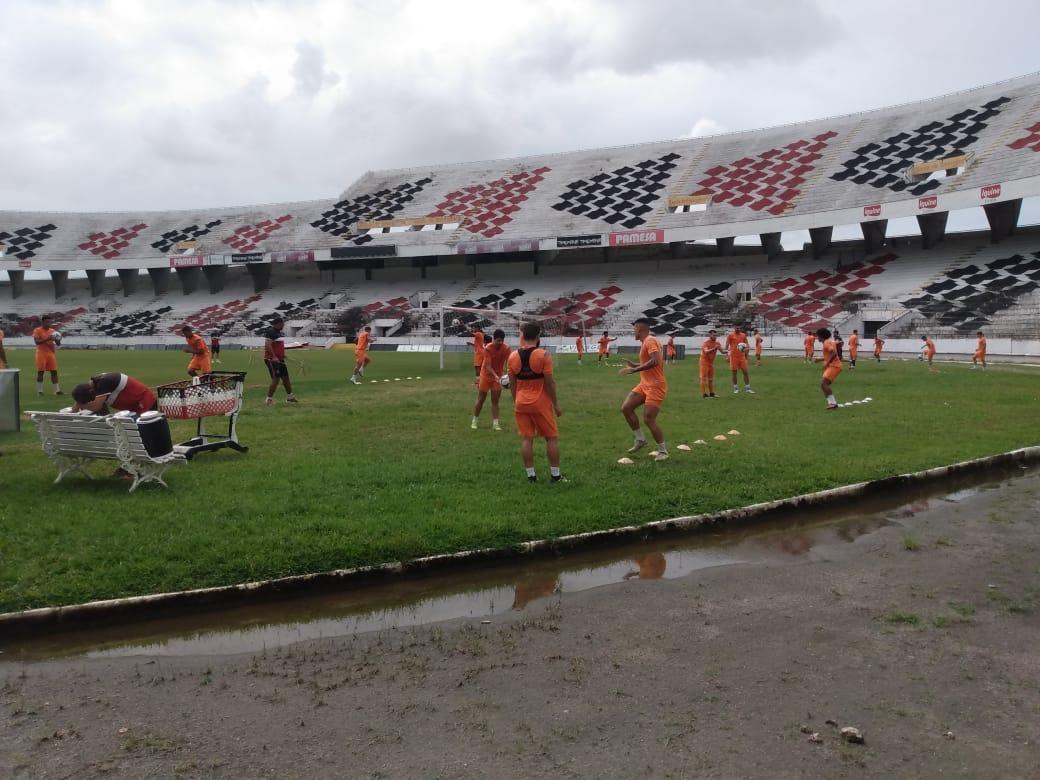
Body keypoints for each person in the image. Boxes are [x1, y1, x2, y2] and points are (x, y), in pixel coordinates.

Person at [507, 321, 563, 483]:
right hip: (541, 403)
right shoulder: (544, 355)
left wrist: (515, 400)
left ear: (522, 335)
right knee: (551, 438)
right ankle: (555, 476)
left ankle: (531, 476)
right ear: (538, 336)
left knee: (527, 439)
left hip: (521, 402)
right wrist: (556, 405)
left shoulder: (512, 356)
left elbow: (512, 384)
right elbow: (549, 383)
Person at [619, 318, 669, 462]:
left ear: (640, 329)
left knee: (648, 419)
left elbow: (655, 361)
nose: (633, 332)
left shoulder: (650, 340)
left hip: (656, 385)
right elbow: (649, 361)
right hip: (645, 384)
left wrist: (634, 369)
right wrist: (635, 364)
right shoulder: (645, 342)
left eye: (634, 329)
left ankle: (663, 450)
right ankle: (640, 439)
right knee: (626, 408)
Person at [472, 328, 509, 430]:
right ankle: (474, 420)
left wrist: (508, 373)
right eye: (498, 340)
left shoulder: (506, 348)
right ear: (493, 339)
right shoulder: (488, 348)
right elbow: (488, 366)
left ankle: (496, 423)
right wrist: (496, 376)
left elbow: (509, 362)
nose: (500, 343)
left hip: (498, 377)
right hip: (486, 375)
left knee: (495, 400)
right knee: (481, 399)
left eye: (502, 340)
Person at [71, 373, 157, 415]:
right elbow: (101, 409)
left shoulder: (104, 382)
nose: (91, 401)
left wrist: (80, 405)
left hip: (144, 401)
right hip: (134, 406)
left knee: (144, 431)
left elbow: (96, 406)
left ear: (91, 392)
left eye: (89, 400)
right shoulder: (94, 386)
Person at [264, 316, 303, 405]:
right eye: (282, 324)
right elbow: (268, 345)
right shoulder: (271, 332)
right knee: (276, 379)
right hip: (272, 360)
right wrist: (274, 357)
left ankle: (290, 397)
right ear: (279, 324)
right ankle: (268, 399)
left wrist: (283, 355)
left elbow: (277, 346)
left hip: (280, 359)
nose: (283, 325)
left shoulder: (279, 333)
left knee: (286, 378)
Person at [33, 315, 62, 395]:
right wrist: (48, 338)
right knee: (41, 372)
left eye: (50, 322)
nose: (49, 324)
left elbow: (58, 344)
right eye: (47, 322)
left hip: (51, 353)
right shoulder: (37, 330)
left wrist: (58, 340)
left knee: (54, 372)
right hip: (41, 353)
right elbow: (37, 342)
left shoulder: (53, 331)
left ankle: (57, 391)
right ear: (42, 322)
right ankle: (40, 391)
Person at [815, 327, 842, 410]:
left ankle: (833, 403)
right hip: (834, 366)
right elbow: (830, 354)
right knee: (824, 385)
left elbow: (833, 353)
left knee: (824, 384)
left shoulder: (826, 343)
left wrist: (827, 363)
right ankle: (832, 403)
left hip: (834, 366)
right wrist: (820, 359)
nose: (817, 337)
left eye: (817, 336)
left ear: (821, 336)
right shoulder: (829, 341)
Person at [725, 324, 754, 394]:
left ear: (740, 328)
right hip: (733, 357)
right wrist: (726, 355)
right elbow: (726, 345)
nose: (738, 329)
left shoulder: (743, 335)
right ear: (734, 328)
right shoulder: (730, 335)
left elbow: (747, 345)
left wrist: (747, 352)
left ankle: (748, 388)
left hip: (742, 357)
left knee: (745, 372)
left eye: (739, 328)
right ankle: (736, 388)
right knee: (734, 373)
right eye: (736, 328)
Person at [699, 329, 723, 398]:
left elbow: (722, 351)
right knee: (703, 378)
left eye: (716, 335)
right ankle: (704, 395)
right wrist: (714, 348)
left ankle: (712, 393)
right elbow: (706, 351)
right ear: (710, 335)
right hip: (704, 362)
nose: (715, 336)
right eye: (713, 335)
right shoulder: (706, 343)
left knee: (710, 379)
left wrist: (730, 351)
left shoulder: (717, 343)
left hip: (711, 363)